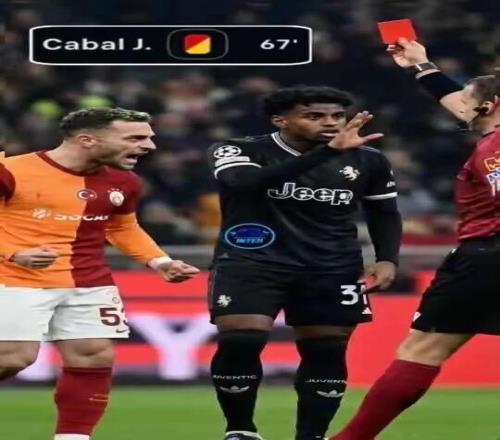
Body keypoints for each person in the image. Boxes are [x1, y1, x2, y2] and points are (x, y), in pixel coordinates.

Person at [207, 86, 402, 440]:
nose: (330, 123)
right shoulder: (239, 149)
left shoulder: (368, 159)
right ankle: (240, 429)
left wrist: (387, 258)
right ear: (280, 120)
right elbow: (243, 183)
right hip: (251, 261)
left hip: (332, 265)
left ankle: (311, 436)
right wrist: (329, 152)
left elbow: (384, 212)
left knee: (326, 349)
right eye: (314, 116)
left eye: (337, 116)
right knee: (241, 339)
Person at [329, 40, 500, 440]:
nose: (459, 105)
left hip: (486, 257)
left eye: (467, 99)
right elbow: (455, 99)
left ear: (488, 106)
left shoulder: (494, 147)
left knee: (422, 351)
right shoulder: (489, 129)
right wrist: (421, 66)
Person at [0, 107, 200, 440]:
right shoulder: (11, 171)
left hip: (88, 279)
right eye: (135, 138)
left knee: (94, 354)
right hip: (14, 277)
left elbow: (122, 227)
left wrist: (159, 261)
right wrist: (14, 252)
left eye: (148, 137)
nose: (148, 146)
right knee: (13, 358)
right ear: (87, 140)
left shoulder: (124, 182)